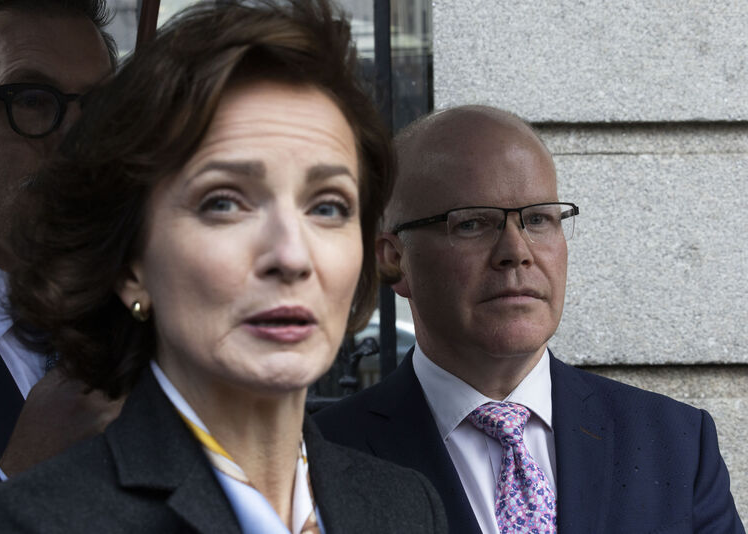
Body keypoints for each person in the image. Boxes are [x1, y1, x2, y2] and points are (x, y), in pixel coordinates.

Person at [0, 2, 448, 532]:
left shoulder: (410, 506)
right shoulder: (27, 520)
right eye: (225, 203)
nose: (292, 255)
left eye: (328, 207)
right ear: (132, 262)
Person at [314, 106, 745, 534]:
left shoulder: (676, 444)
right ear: (394, 260)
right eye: (472, 224)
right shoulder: (318, 459)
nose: (516, 251)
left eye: (538, 219)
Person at [0, 0, 122, 511]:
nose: (75, 140)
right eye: (30, 99)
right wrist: (22, 475)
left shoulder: (142, 316)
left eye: (98, 107)